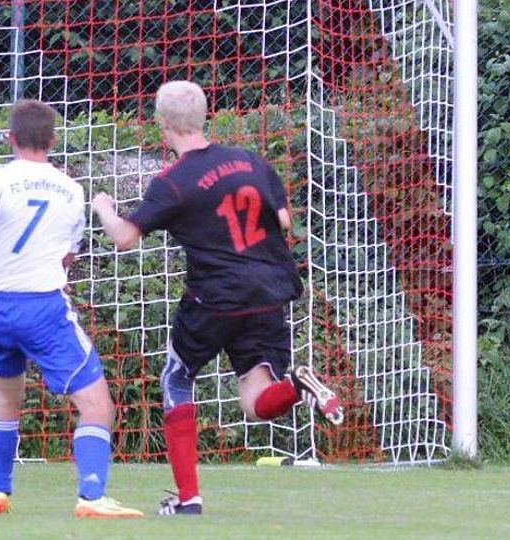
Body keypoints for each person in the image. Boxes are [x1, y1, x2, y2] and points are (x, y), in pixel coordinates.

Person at [91, 81, 344, 516]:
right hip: (269, 291)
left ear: (163, 124)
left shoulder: (172, 181)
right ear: (206, 116)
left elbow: (126, 238)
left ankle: (188, 498)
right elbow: (283, 219)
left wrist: (104, 210)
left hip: (215, 297)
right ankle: (299, 387)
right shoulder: (251, 161)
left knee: (176, 378)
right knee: (256, 402)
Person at [0, 99, 143, 518]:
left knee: (6, 397)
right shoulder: (71, 190)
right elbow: (67, 259)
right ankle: (91, 496)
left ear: (10, 138)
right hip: (43, 310)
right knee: (97, 405)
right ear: (52, 140)